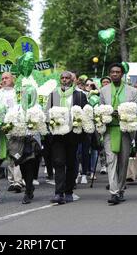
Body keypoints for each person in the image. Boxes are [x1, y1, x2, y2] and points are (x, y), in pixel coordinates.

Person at [99, 63, 137, 205]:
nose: (114, 74)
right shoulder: (103, 91)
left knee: (123, 162)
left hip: (125, 131)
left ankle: (121, 189)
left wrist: (123, 113)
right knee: (111, 161)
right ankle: (114, 192)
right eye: (112, 72)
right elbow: (100, 110)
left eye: (117, 72)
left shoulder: (132, 91)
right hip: (110, 130)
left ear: (122, 74)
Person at [46, 71, 88, 204]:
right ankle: (58, 193)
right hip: (57, 135)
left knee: (71, 163)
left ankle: (69, 191)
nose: (64, 80)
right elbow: (47, 112)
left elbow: (86, 113)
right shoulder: (53, 95)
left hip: (73, 134)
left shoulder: (80, 95)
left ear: (72, 80)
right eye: (62, 78)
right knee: (58, 162)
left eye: (67, 78)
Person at [0, 72, 23, 193]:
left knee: (16, 152)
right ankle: (12, 180)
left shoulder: (17, 91)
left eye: (6, 78)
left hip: (15, 124)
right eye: (2, 78)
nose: (4, 80)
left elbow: (20, 107)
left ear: (13, 79)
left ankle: (18, 181)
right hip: (3, 125)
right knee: (7, 152)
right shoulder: (0, 92)